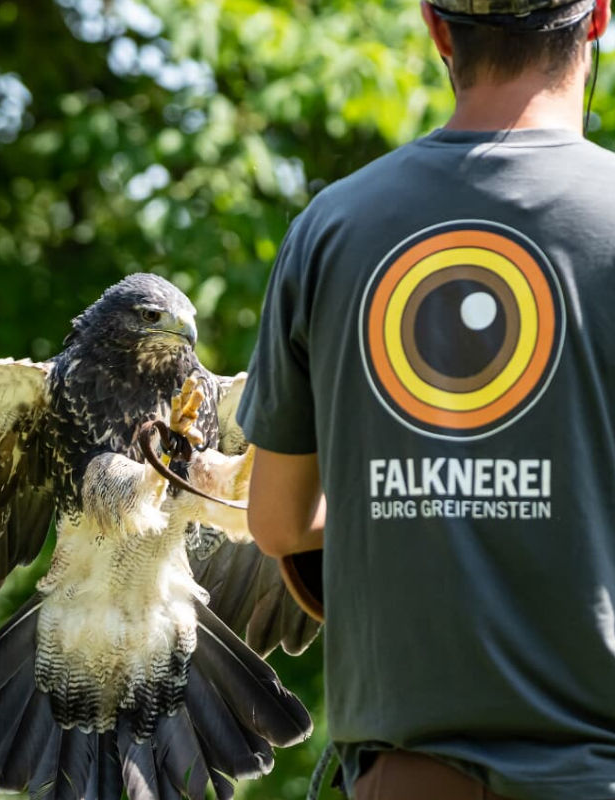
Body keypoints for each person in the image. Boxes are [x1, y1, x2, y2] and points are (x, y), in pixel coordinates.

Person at [236, 0, 615, 798]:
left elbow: (274, 520)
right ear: (599, 21)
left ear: (437, 30)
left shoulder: (330, 227)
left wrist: (412, 498)